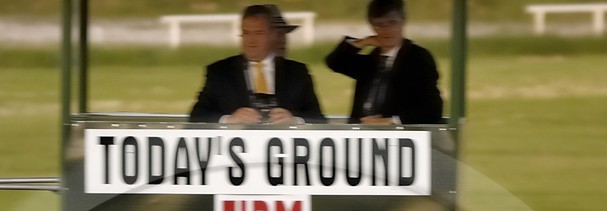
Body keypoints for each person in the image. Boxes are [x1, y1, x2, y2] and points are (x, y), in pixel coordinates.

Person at [188, 4, 326, 126]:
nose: (251, 41)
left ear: (273, 35)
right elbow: (196, 117)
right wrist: (229, 120)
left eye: (259, 33)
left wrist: (295, 121)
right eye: (246, 33)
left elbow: (319, 120)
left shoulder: (297, 73)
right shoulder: (220, 72)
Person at [325, 0, 443, 126]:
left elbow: (432, 110)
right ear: (372, 26)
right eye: (379, 25)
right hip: (362, 136)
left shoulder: (418, 58)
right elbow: (334, 62)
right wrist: (363, 42)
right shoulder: (372, 59)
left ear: (403, 21)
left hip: (400, 138)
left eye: (392, 23)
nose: (386, 30)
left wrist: (390, 121)